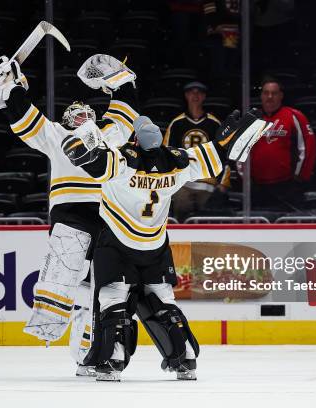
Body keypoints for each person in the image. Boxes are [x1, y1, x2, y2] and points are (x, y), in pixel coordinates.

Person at [62, 107, 269, 381]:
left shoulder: (122, 161)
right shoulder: (177, 162)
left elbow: (81, 155)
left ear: (135, 139)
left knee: (113, 299)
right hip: (155, 246)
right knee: (162, 301)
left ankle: (113, 360)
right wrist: (227, 139)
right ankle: (185, 360)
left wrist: (83, 137)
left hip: (118, 242)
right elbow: (217, 156)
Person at [0, 54, 138, 376]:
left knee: (104, 291)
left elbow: (127, 113)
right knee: (82, 290)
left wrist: (118, 81)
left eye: (87, 114)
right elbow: (24, 117)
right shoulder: (56, 134)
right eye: (76, 114)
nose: (83, 117)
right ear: (67, 120)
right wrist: (12, 87)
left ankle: (99, 354)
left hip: (104, 217)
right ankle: (74, 344)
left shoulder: (106, 134)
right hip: (74, 216)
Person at [163, 81, 230, 221]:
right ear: (186, 95)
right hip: (183, 184)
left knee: (209, 224)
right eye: (191, 92)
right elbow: (166, 154)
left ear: (204, 96)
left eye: (199, 92)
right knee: (181, 223)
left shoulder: (214, 123)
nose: (195, 95)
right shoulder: (176, 123)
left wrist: (223, 183)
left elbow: (225, 155)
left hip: (209, 185)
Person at [247, 76, 316, 210]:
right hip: (258, 188)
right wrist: (246, 178)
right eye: (266, 93)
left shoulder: (294, 116)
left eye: (274, 93)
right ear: (261, 96)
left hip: (287, 187)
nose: (270, 97)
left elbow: (308, 147)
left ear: (281, 96)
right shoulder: (251, 119)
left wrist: (299, 178)